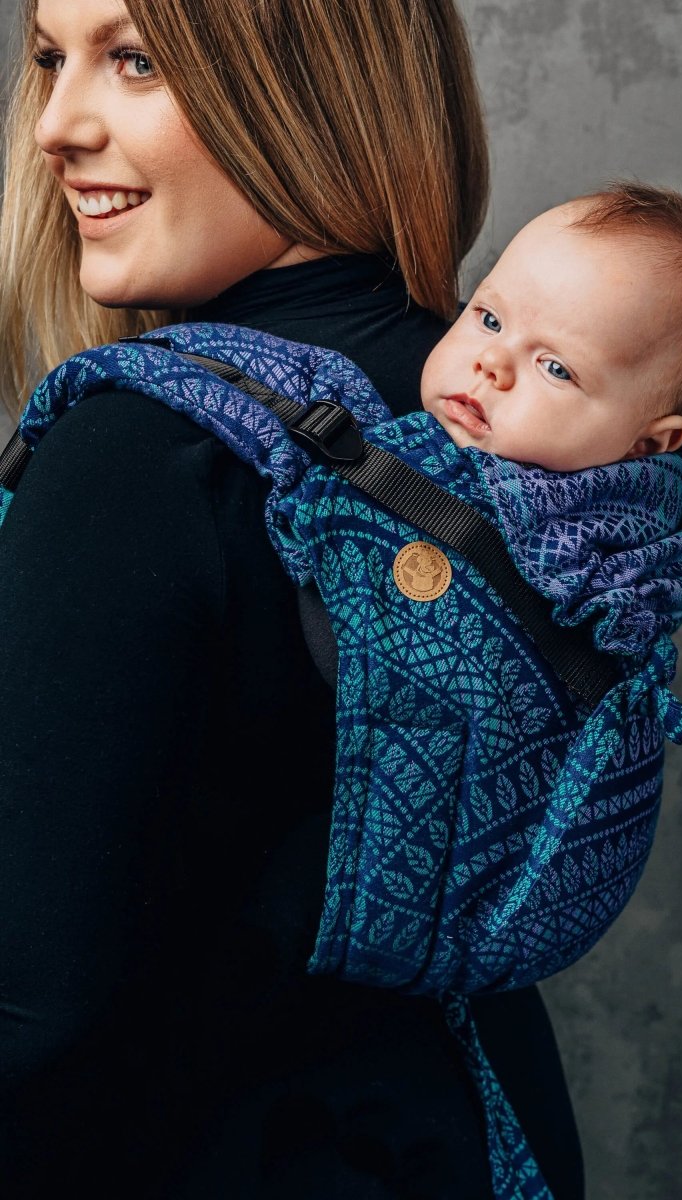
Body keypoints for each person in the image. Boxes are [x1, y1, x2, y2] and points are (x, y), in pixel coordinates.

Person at [0, 2, 585, 1199]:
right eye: (51, 59)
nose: (55, 125)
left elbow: (29, 1015)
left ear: (313, 91)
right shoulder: (497, 414)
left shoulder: (140, 454)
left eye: (137, 60)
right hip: (473, 1139)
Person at [420, 183, 682, 470]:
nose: (492, 361)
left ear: (644, 444)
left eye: (556, 368)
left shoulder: (593, 524)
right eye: (491, 320)